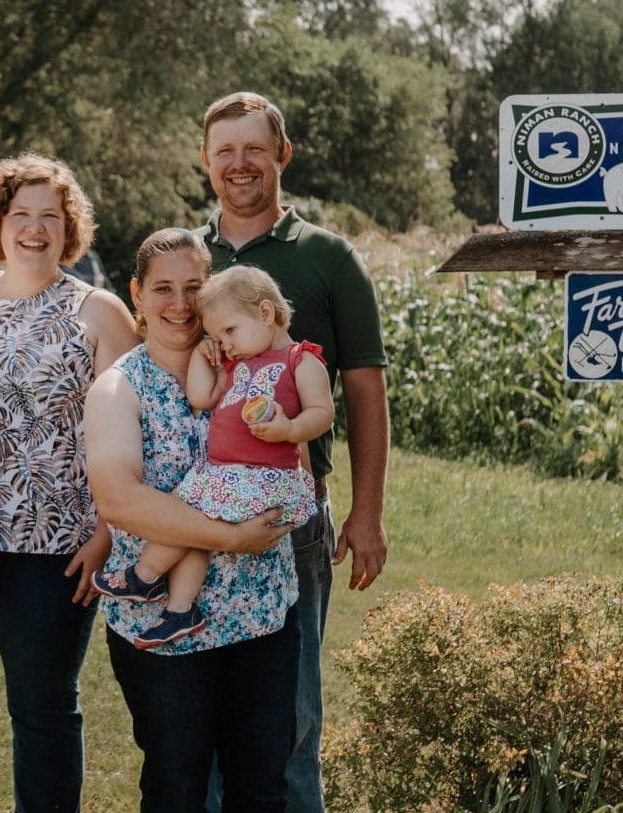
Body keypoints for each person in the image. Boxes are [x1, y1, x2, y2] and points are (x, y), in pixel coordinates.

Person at [193, 91, 391, 811]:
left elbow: (365, 393)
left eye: (253, 148)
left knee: (292, 710)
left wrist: (366, 515)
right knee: (198, 710)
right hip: (197, 517)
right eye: (225, 151)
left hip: (291, 517)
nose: (239, 164)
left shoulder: (328, 258)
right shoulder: (188, 256)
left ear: (282, 154)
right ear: (206, 161)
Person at [0, 153, 140, 812]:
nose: (35, 228)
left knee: (43, 712)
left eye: (51, 216)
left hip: (55, 550)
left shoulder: (99, 312)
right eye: (21, 214)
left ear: (69, 227)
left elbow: (132, 433)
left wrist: (108, 533)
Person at [85, 228, 300, 811]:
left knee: (261, 788)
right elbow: (119, 501)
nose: (179, 304)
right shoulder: (117, 389)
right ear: (136, 294)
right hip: (164, 632)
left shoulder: (254, 365)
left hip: (260, 615)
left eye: (193, 288)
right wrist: (232, 537)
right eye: (162, 289)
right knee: (177, 789)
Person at [94, 265, 332, 649]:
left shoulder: (299, 360)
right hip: (226, 476)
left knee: (190, 516)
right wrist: (206, 357)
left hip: (263, 477)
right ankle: (180, 610)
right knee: (193, 529)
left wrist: (289, 430)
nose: (225, 342)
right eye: (217, 335)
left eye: (229, 331)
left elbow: (323, 413)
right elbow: (200, 398)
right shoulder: (238, 363)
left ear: (266, 313)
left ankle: (145, 573)